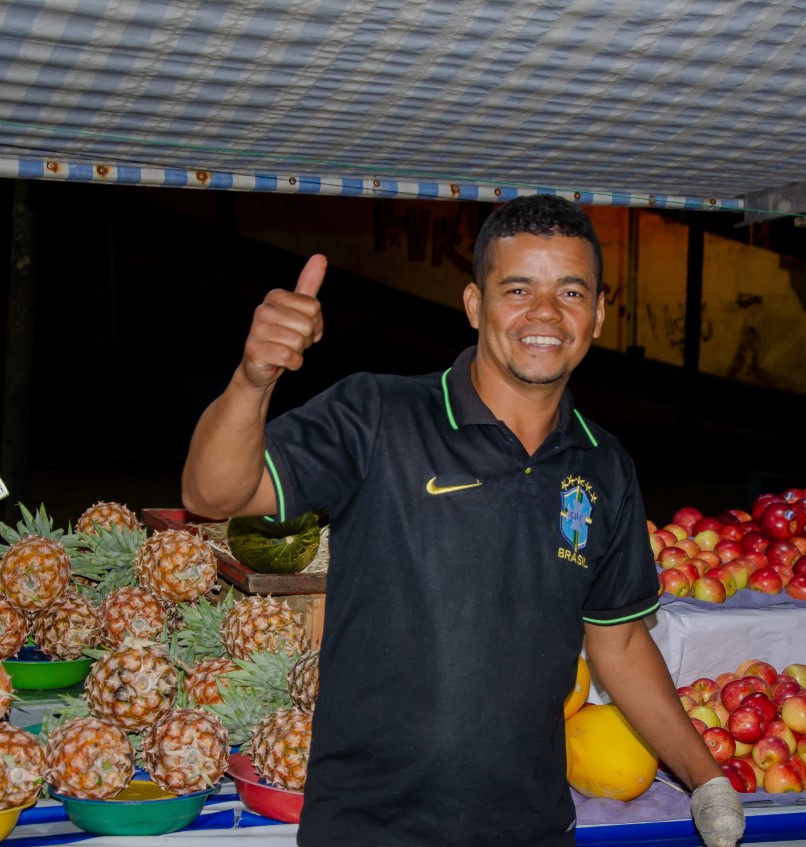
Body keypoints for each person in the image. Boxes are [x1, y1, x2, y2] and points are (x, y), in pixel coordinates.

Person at [182, 195, 744, 846]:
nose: (545, 313)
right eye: (517, 288)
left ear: (597, 314)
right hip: (369, 832)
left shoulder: (604, 466)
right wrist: (254, 378)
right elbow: (214, 491)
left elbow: (616, 642)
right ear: (475, 304)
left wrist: (706, 779)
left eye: (570, 291)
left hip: (531, 830)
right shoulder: (378, 415)